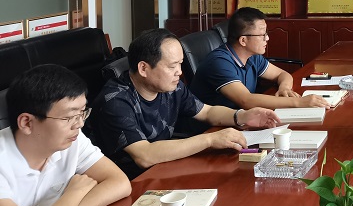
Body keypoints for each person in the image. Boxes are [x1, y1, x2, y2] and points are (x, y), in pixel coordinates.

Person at [91, 28, 280, 179]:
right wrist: (210, 139)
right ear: (143, 68)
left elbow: (206, 112)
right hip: (131, 183)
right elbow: (145, 155)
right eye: (172, 66)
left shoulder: (171, 87)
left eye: (180, 64)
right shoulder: (115, 101)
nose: (180, 72)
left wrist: (242, 116)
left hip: (166, 169)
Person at [0, 65, 131, 206]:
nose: (79, 124)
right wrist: (74, 193)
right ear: (27, 123)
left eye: (82, 113)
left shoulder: (71, 139)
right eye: (68, 117)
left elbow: (120, 183)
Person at [191, 7, 329, 110]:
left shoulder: (252, 56)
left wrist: (284, 88)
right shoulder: (219, 63)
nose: (267, 38)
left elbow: (282, 74)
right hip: (210, 130)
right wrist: (299, 102)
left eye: (266, 33)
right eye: (262, 35)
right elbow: (246, 100)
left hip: (239, 119)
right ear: (243, 40)